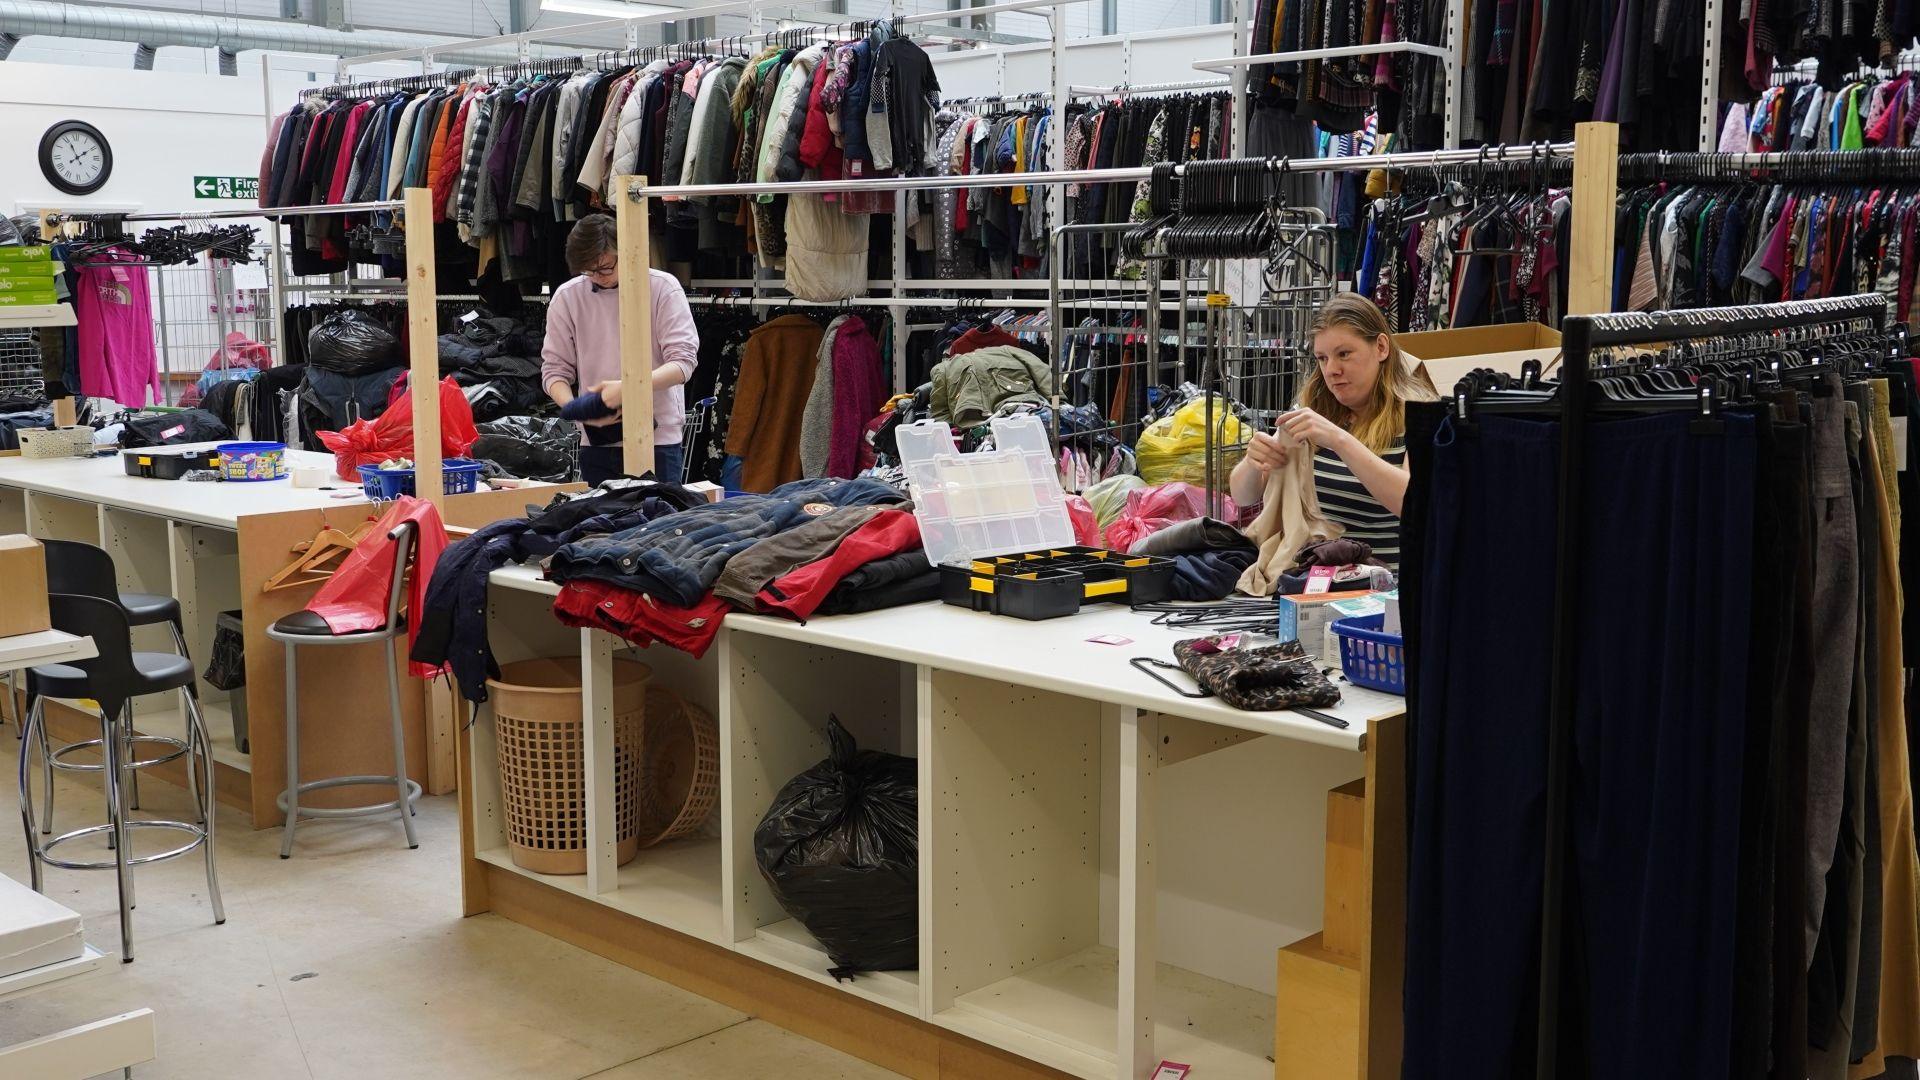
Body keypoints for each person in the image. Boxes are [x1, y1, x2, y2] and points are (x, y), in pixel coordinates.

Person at [1227, 293, 1437, 571]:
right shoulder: (1315, 409)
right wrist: (1254, 463)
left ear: (1382, 347)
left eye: (1344, 354)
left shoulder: (1422, 417)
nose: (1331, 370)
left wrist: (1339, 440)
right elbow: (1243, 496)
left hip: (1387, 592)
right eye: (1322, 358)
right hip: (1314, 585)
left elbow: (1415, 502)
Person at [540, 213, 699, 486]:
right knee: (599, 527)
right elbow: (554, 370)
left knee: (658, 524)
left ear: (624, 250)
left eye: (604, 267)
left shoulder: (662, 288)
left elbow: (683, 362)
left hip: (658, 439)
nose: (597, 277)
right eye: (588, 271)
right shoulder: (567, 297)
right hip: (596, 442)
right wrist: (576, 408)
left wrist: (628, 388)